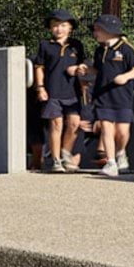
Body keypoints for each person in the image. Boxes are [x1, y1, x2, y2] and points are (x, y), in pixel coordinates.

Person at [78, 13, 134, 178]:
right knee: (107, 129)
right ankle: (111, 162)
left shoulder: (126, 49)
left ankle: (121, 152)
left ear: (110, 31)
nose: (95, 33)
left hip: (122, 96)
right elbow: (98, 70)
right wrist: (87, 70)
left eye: (98, 29)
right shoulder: (100, 50)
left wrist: (125, 77)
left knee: (122, 131)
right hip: (102, 95)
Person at [33, 10, 86, 173]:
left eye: (63, 25)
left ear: (70, 28)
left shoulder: (77, 45)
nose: (59, 29)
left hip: (73, 92)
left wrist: (79, 69)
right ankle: (56, 160)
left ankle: (65, 153)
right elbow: (39, 68)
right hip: (53, 91)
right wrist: (40, 87)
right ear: (50, 28)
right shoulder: (45, 45)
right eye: (55, 26)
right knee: (56, 124)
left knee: (74, 124)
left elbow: (83, 65)